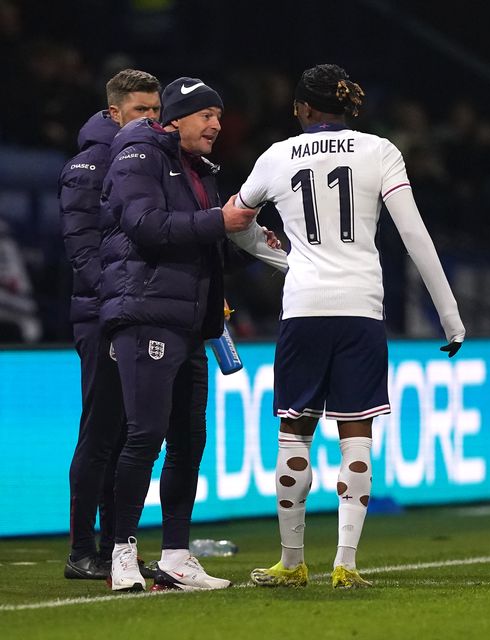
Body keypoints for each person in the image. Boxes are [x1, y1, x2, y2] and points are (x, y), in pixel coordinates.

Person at [234, 63, 466, 589]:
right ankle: (347, 564)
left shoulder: (275, 156)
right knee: (355, 436)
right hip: (361, 306)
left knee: (294, 433)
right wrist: (450, 317)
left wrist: (284, 260)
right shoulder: (379, 151)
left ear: (303, 109)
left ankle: (292, 564)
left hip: (304, 307)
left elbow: (236, 221)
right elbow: (415, 236)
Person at [99, 76, 287, 592]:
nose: (216, 125)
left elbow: (205, 238)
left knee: (188, 441)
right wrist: (216, 221)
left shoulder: (200, 171)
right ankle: (121, 553)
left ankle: (177, 556)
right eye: (206, 115)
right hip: (148, 314)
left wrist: (251, 240)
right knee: (144, 436)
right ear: (176, 118)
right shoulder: (140, 157)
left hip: (191, 319)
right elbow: (146, 226)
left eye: (220, 117)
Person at [59, 69, 162, 580]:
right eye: (141, 110)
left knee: (123, 433)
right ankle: (82, 550)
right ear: (114, 111)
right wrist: (117, 299)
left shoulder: (141, 160)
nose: (151, 119)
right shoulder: (91, 162)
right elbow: (81, 246)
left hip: (129, 311)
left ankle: (111, 546)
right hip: (101, 315)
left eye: (157, 111)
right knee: (101, 432)